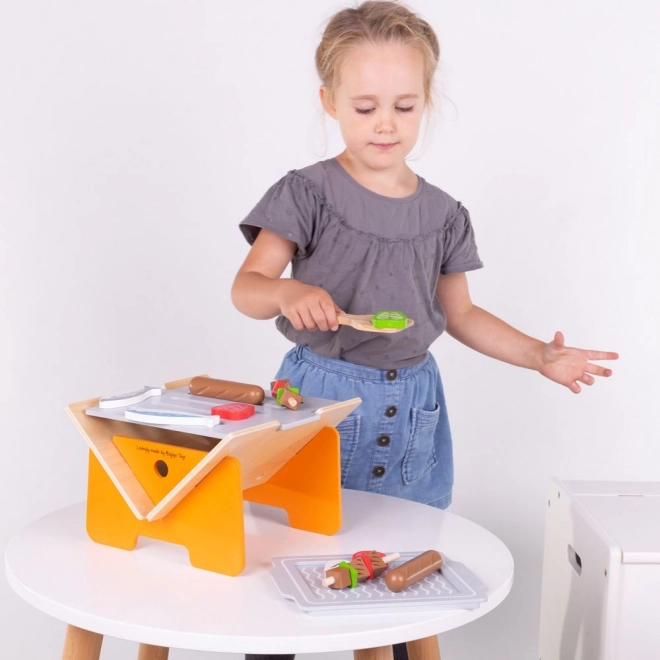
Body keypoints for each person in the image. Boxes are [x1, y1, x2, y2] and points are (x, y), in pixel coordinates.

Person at [231, 2, 617, 659]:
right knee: (290, 567)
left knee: (403, 572)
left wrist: (538, 355)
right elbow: (247, 289)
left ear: (426, 102)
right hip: (320, 404)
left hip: (412, 407)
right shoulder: (306, 193)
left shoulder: (443, 215)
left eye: (404, 106)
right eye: (365, 107)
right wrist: (286, 292)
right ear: (329, 101)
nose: (385, 123)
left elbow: (460, 313)